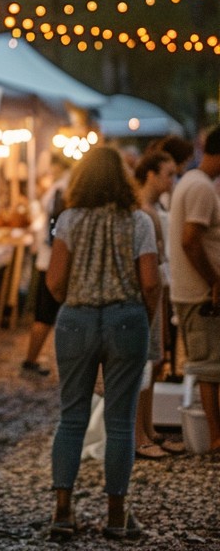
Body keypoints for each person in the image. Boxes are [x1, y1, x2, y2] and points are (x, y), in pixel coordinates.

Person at [45, 146, 160, 541]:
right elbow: (149, 281)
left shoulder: (69, 220)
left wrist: (77, 297)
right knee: (121, 422)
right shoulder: (139, 221)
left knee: (71, 416)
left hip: (76, 319)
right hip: (126, 318)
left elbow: (54, 281)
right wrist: (145, 316)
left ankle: (63, 510)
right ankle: (116, 514)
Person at [167, 124, 220, 455]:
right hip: (201, 294)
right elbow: (191, 241)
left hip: (198, 290)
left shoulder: (192, 182)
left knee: (211, 364)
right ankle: (215, 437)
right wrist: (214, 281)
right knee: (210, 367)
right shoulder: (200, 187)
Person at [132, 149, 180, 458]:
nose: (172, 180)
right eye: (168, 174)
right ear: (150, 174)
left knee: (153, 361)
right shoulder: (141, 210)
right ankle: (139, 435)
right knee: (143, 365)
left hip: (157, 288)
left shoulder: (153, 208)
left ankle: (148, 428)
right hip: (145, 292)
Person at [22, 154, 70, 377]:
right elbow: (56, 225)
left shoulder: (58, 188)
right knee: (45, 312)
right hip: (52, 259)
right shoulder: (63, 188)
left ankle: (32, 358)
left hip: (49, 258)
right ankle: (30, 360)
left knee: (45, 312)